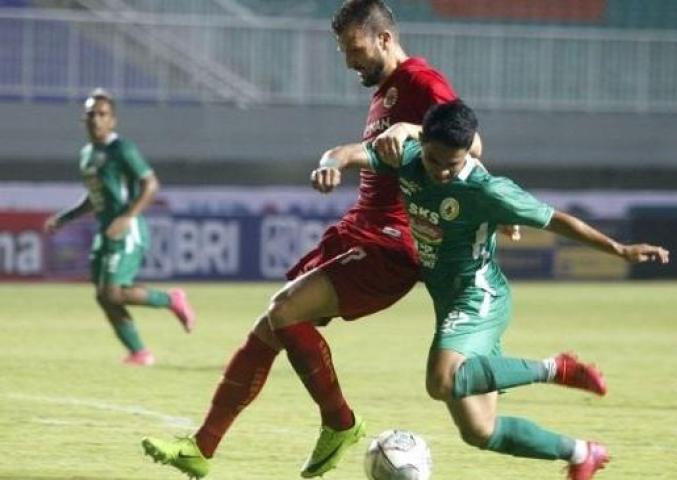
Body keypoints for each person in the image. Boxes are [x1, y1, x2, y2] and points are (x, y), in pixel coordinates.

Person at [141, 1, 487, 478]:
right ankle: (201, 449)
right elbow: (368, 154)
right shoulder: (384, 92)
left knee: (284, 310)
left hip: (392, 240)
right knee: (270, 326)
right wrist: (335, 160)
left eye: (355, 48)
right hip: (358, 228)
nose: (349, 60)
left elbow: (471, 143)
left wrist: (412, 128)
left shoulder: (422, 81)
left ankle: (340, 422)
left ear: (384, 38)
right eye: (344, 50)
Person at [310, 99, 670, 480]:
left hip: (479, 296)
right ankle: (583, 453)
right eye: (436, 161)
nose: (443, 172)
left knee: (441, 380)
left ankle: (556, 368)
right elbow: (345, 153)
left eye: (454, 164)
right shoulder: (408, 157)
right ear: (424, 142)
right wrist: (330, 165)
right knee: (479, 431)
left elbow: (557, 220)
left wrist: (619, 249)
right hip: (449, 301)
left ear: (469, 153)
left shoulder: (488, 190)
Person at [44, 88, 196, 367]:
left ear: (112, 120)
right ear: (84, 119)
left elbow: (150, 184)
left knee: (113, 292)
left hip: (127, 230)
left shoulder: (121, 149)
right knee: (104, 296)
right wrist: (64, 218)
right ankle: (139, 353)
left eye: (102, 114)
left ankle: (171, 299)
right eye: (91, 114)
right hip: (106, 232)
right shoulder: (87, 155)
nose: (96, 119)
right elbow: (95, 196)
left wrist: (127, 217)